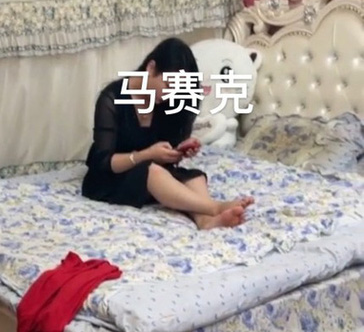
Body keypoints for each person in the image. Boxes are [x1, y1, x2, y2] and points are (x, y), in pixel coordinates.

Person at [82, 37, 253, 229]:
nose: (169, 95)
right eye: (168, 86)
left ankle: (205, 221)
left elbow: (162, 152)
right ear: (151, 68)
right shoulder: (112, 99)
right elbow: (104, 162)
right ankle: (215, 207)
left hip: (153, 172)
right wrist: (147, 155)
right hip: (111, 177)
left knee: (194, 177)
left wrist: (177, 151)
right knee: (153, 172)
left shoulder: (168, 102)